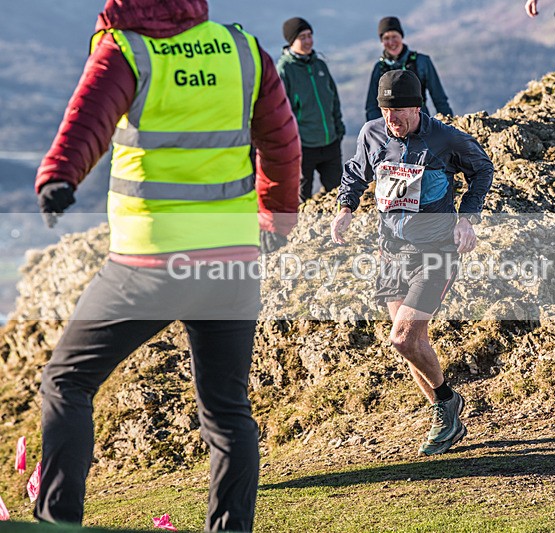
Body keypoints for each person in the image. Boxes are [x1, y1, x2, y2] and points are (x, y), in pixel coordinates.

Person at [33, 0, 301, 530]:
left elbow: (90, 117)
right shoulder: (243, 51)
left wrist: (59, 176)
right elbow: (282, 146)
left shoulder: (126, 49)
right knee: (227, 412)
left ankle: (57, 521)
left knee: (66, 383)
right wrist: (277, 222)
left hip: (147, 264)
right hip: (231, 262)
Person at [332, 70, 493, 456]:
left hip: (436, 251)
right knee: (410, 345)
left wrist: (468, 218)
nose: (393, 119)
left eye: (400, 110)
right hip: (391, 253)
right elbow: (356, 171)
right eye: (386, 110)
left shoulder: (445, 138)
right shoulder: (372, 133)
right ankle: (446, 415)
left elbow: (482, 170)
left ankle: (445, 405)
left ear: (418, 107)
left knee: (402, 337)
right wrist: (345, 208)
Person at [278, 17, 346, 204]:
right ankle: (300, 232)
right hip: (304, 146)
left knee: (339, 193)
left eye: (310, 35)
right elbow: (282, 112)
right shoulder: (285, 70)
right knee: (302, 198)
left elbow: (334, 99)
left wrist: (338, 129)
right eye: (302, 37)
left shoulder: (319, 65)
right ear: (292, 41)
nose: (308, 41)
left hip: (330, 142)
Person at [365, 17, 453, 122]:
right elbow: (372, 107)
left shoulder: (422, 62)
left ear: (401, 37)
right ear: (382, 41)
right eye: (386, 38)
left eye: (394, 36)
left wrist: (448, 125)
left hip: (420, 127)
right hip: (392, 128)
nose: (391, 42)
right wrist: (379, 132)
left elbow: (439, 98)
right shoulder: (379, 68)